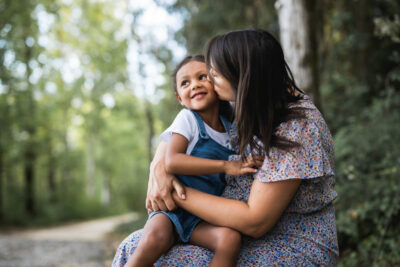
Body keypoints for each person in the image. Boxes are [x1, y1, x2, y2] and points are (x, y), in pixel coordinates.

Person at [113, 29, 339, 266]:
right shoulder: (250, 103)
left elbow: (256, 222)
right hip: (231, 230)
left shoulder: (296, 128)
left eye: (214, 76)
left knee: (160, 257)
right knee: (137, 243)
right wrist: (159, 166)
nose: (208, 82)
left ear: (242, 78)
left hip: (290, 245)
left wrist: (174, 192)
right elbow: (185, 126)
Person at [124, 55, 261, 267]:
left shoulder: (230, 128)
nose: (195, 85)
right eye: (185, 83)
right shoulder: (187, 120)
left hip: (202, 216)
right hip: (172, 210)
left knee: (230, 239)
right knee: (153, 239)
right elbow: (172, 161)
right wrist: (226, 166)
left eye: (202, 77)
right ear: (179, 97)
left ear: (216, 84)